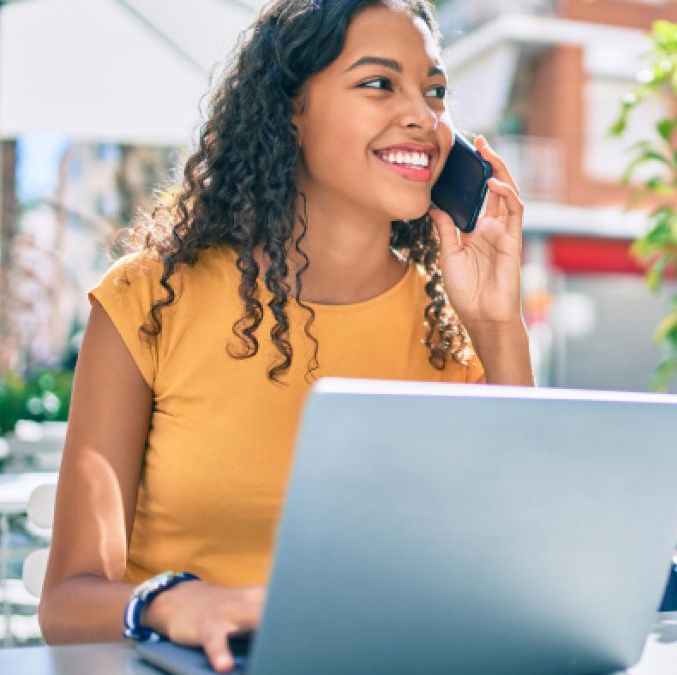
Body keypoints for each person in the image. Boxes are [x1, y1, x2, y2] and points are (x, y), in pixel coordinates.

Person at [37, 1, 532, 671]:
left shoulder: (450, 328)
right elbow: (67, 601)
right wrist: (171, 602)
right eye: (379, 83)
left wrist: (499, 323)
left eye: (435, 89)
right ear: (289, 111)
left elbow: (520, 572)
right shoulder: (149, 299)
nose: (426, 115)